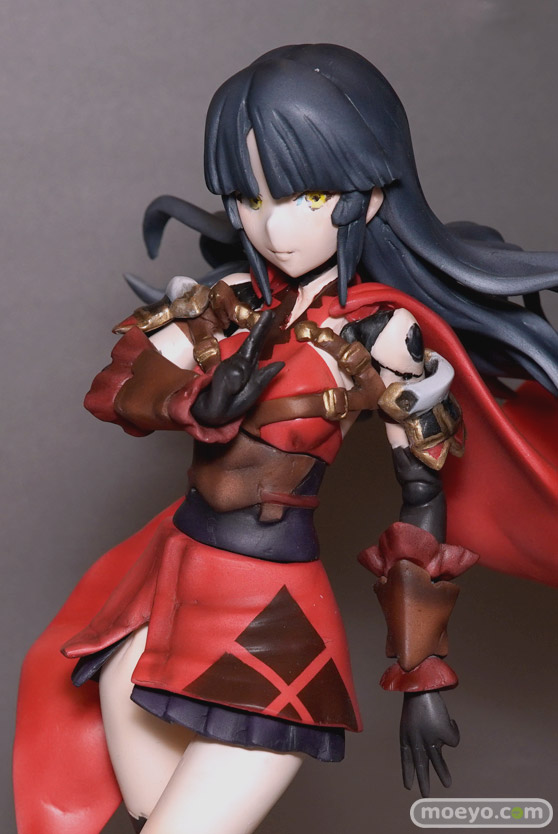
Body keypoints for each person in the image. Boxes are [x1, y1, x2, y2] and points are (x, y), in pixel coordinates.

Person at [14, 44, 558, 834]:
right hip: (162, 598)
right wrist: (194, 400)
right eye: (248, 196)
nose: (273, 225)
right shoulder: (227, 303)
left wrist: (423, 675)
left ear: (370, 193)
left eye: (308, 194)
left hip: (270, 618)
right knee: (149, 809)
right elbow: (117, 391)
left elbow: (421, 502)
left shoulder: (383, 335)